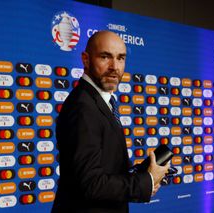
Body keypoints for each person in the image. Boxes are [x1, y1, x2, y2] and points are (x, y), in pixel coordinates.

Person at [52, 31, 170, 213]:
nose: (114, 67)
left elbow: (103, 168)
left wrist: (144, 174)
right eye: (105, 57)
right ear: (85, 59)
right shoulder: (83, 107)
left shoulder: (98, 101)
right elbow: (91, 183)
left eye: (121, 58)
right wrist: (146, 182)